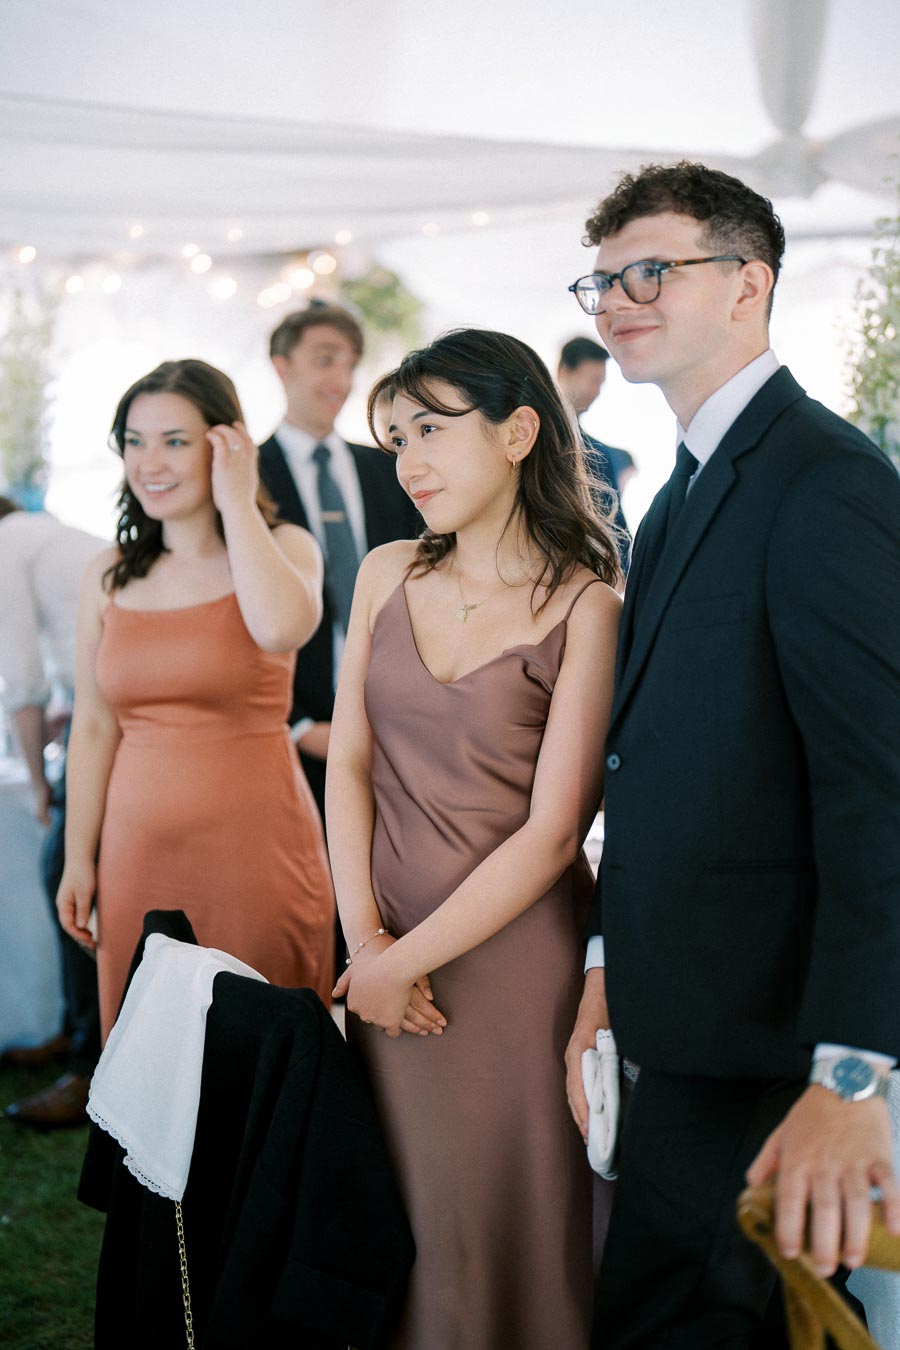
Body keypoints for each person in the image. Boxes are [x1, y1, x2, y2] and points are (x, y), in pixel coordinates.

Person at [564, 161, 900, 1348]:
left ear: (748, 282)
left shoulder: (826, 483)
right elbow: (655, 767)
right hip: (683, 1015)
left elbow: (880, 793)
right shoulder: (676, 490)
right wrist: (607, 964)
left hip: (778, 1039)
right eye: (601, 281)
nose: (616, 300)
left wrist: (851, 1074)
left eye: (651, 270)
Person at [327, 328, 622, 1349]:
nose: (407, 460)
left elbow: (555, 836)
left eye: (431, 430)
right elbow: (350, 766)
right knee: (404, 1224)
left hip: (511, 976)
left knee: (516, 1230)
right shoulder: (381, 574)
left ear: (518, 432)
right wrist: (365, 946)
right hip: (382, 959)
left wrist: (399, 959)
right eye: (394, 435)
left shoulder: (586, 604)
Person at [56, 359, 335, 1039]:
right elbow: (94, 728)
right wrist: (77, 857)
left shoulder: (286, 546)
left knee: (261, 1053)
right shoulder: (108, 574)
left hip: (256, 852)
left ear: (225, 443)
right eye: (135, 440)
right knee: (152, 1061)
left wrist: (236, 502)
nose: (150, 461)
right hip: (136, 855)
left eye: (175, 441)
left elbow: (280, 628)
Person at [258, 302, 419, 824]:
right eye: (325, 360)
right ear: (282, 366)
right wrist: (299, 723)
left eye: (350, 364)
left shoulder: (389, 470)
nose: (341, 379)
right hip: (289, 733)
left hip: (396, 726)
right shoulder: (247, 479)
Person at [0, 498, 104, 1127]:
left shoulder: (9, 547)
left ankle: (88, 1063)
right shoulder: (53, 532)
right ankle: (79, 1036)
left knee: (63, 877)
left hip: (108, 733)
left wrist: (40, 783)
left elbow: (23, 681)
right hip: (106, 712)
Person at [557, 336, 632, 569]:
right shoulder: (525, 439)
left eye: (601, 383)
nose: (597, 391)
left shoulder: (598, 454)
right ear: (565, 372)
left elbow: (615, 528)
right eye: (593, 380)